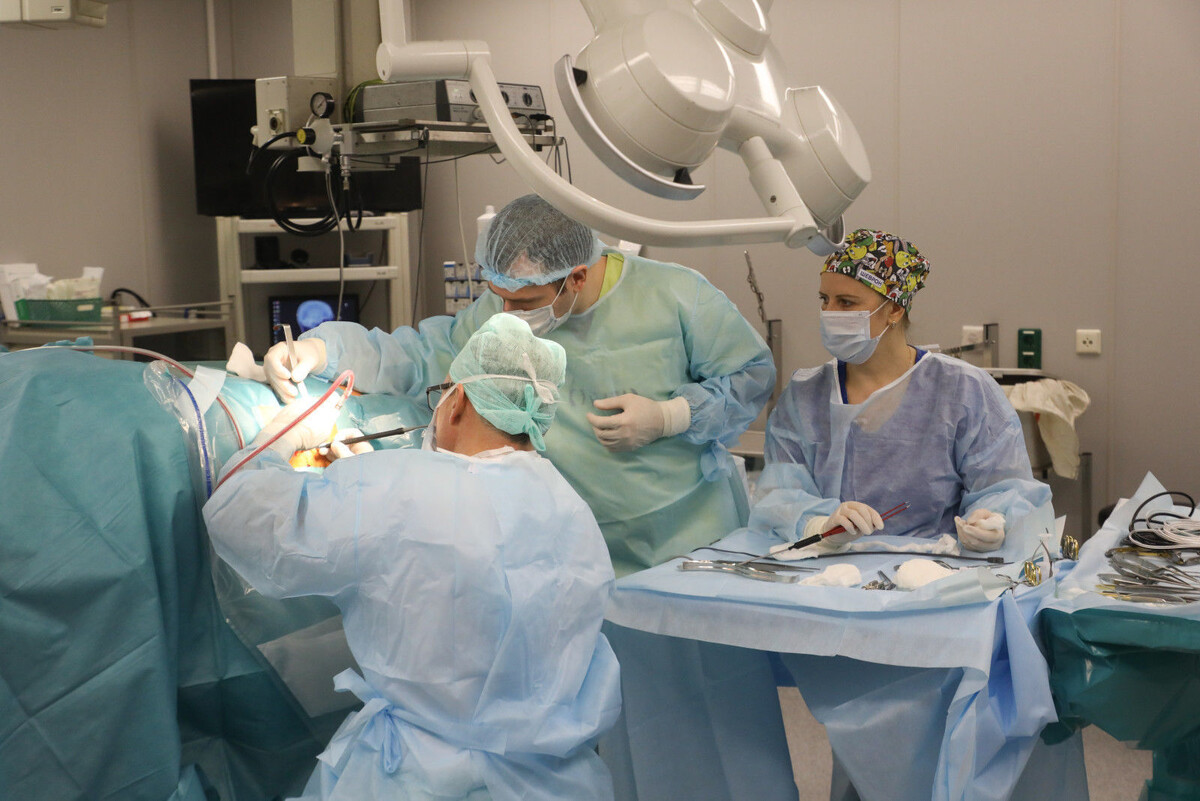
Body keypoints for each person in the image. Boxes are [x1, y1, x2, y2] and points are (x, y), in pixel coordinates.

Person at [204, 314, 622, 801]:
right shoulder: (570, 506)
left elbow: (241, 514)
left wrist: (287, 434)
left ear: (457, 400)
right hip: (554, 784)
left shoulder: (397, 489)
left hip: (420, 781)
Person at [264, 194, 775, 576]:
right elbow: (425, 355)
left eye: (525, 303)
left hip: (685, 542)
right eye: (500, 297)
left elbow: (752, 374)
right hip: (579, 545)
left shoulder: (676, 295)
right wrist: (323, 350)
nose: (507, 313)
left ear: (577, 277)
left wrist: (671, 416)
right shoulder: (506, 302)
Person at [750, 227, 1051, 554]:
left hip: (930, 569)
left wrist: (992, 521)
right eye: (825, 300)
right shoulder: (805, 395)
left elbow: (1005, 490)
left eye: (847, 302)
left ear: (894, 309)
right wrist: (819, 526)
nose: (830, 313)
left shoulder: (963, 390)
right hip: (827, 567)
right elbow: (779, 496)